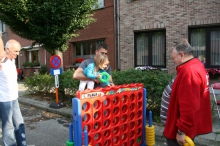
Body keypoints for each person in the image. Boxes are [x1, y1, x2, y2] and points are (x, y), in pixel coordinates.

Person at [163, 39, 212, 146]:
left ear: (181, 55)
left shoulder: (189, 72)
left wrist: (181, 130)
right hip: (187, 127)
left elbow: (190, 105)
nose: (173, 61)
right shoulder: (196, 65)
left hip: (180, 131)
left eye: (173, 58)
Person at [0, 39, 27, 146]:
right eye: (15, 51)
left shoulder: (12, 60)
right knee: (8, 126)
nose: (18, 54)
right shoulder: (1, 62)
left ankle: (22, 144)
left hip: (14, 99)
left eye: (18, 51)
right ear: (7, 49)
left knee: (19, 123)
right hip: (4, 100)